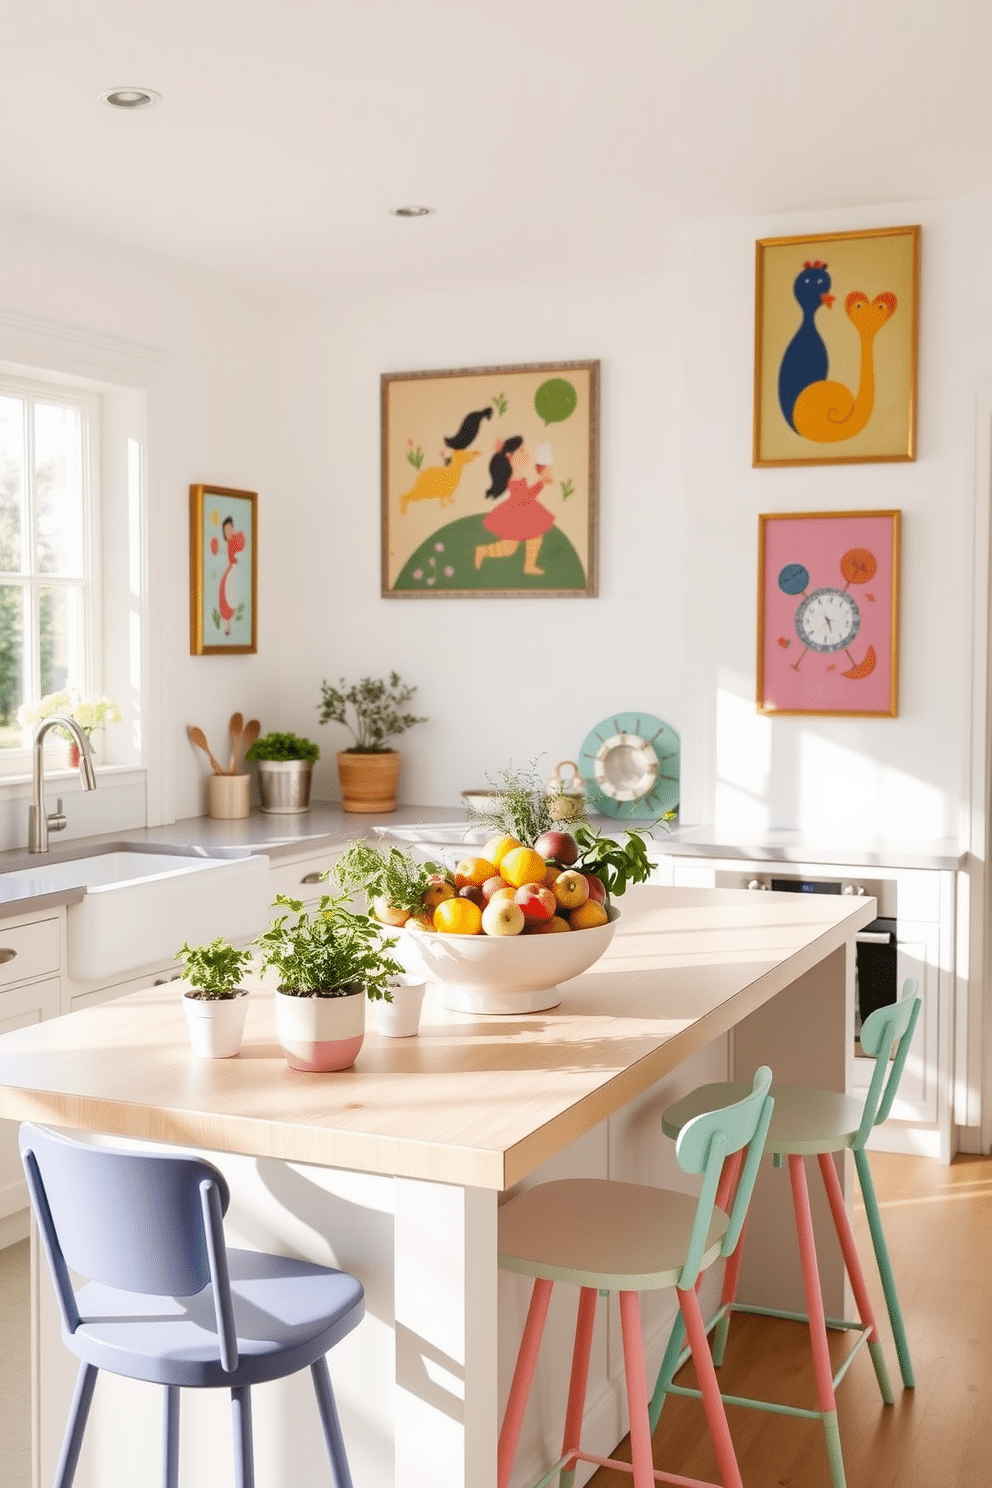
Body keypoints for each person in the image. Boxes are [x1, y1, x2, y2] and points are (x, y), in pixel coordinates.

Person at [474, 437, 555, 577]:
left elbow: (525, 496)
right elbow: (525, 496)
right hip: (517, 513)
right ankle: (483, 551)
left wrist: (542, 480)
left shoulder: (518, 473)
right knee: (509, 548)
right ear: (511, 458)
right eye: (522, 450)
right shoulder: (515, 476)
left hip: (524, 510)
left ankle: (529, 566)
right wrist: (541, 483)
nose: (526, 452)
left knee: (535, 537)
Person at [218, 516, 246, 636]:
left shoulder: (238, 538)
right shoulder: (228, 543)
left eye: (229, 529)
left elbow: (240, 553)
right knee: (224, 592)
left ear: (233, 528)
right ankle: (227, 623)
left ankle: (229, 621)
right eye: (226, 531)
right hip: (231, 568)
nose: (228, 532)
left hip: (236, 568)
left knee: (232, 594)